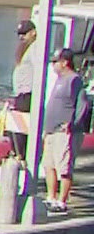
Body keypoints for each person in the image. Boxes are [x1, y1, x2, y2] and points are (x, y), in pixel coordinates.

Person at [38, 48, 84, 214]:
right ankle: (51, 197)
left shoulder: (74, 80)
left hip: (65, 132)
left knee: (64, 167)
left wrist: (72, 124)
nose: (53, 65)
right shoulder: (58, 80)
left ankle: (62, 201)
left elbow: (83, 104)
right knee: (49, 165)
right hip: (51, 130)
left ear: (65, 62)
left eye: (55, 62)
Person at [11, 18, 41, 157]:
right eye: (19, 34)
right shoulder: (25, 48)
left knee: (22, 128)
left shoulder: (35, 47)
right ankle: (18, 154)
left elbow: (38, 69)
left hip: (28, 94)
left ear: (33, 32)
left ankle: (23, 155)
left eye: (24, 33)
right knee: (16, 126)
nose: (21, 37)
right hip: (20, 94)